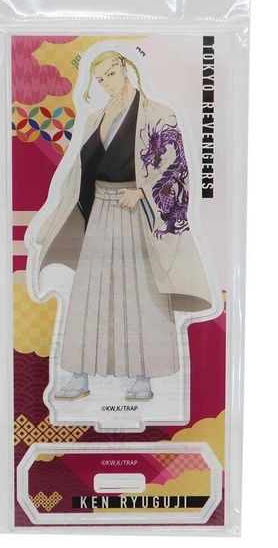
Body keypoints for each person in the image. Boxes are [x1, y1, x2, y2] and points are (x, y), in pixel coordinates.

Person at [30, 50, 212, 402]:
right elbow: (80, 172)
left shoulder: (159, 114)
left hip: (138, 214)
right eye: (100, 80)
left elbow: (177, 169)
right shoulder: (95, 118)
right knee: (90, 292)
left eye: (111, 75)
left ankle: (144, 377)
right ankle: (80, 375)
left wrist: (142, 191)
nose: (107, 84)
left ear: (126, 69)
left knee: (141, 293)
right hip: (101, 211)